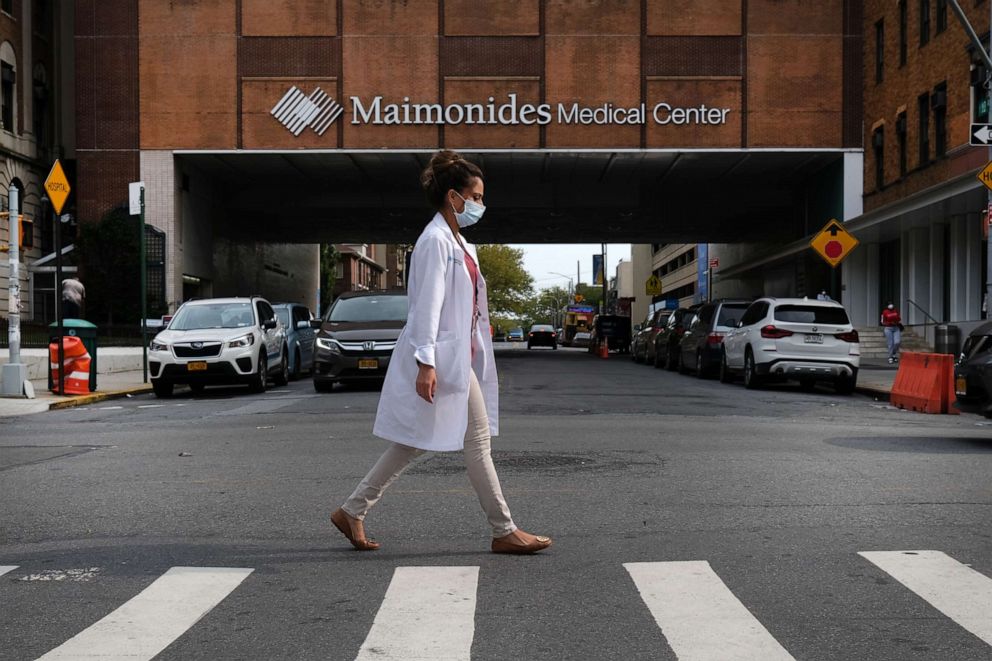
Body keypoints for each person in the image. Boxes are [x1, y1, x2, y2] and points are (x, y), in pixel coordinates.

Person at [330, 150, 552, 555]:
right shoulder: (434, 241)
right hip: (444, 358)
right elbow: (426, 307)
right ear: (454, 197)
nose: (480, 205)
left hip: (457, 355)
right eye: (477, 197)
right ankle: (503, 529)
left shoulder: (459, 241)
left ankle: (353, 509)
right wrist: (426, 363)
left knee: (416, 440)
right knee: (476, 439)